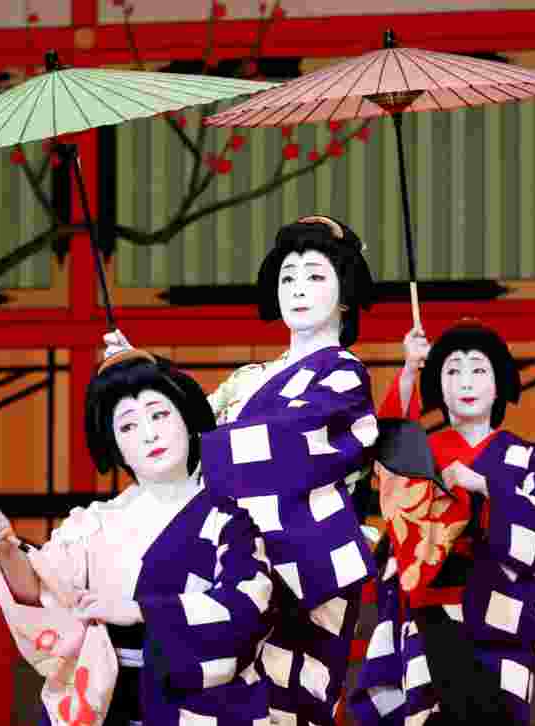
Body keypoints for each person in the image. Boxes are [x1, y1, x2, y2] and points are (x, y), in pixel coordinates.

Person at [105, 214, 381, 726]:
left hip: (299, 567)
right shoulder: (248, 379)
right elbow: (186, 444)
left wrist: (196, 442)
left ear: (346, 295)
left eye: (316, 276)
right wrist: (139, 377)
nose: (298, 289)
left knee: (280, 702)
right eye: (288, 277)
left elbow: (285, 454)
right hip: (229, 561)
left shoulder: (344, 374)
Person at [0, 353, 274, 726]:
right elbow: (39, 593)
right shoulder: (92, 524)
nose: (148, 434)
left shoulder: (228, 521)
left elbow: (245, 608)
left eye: (159, 415)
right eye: (128, 426)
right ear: (114, 446)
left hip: (197, 709)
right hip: (107, 704)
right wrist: (7, 546)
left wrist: (137, 609)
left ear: (188, 419)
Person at [349, 319, 535, 726]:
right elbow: (379, 458)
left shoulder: (526, 458)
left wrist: (484, 486)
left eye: (478, 370)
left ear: (499, 384)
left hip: (501, 621)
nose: (465, 383)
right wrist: (408, 372)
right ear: (438, 383)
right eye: (452, 370)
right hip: (427, 615)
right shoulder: (423, 452)